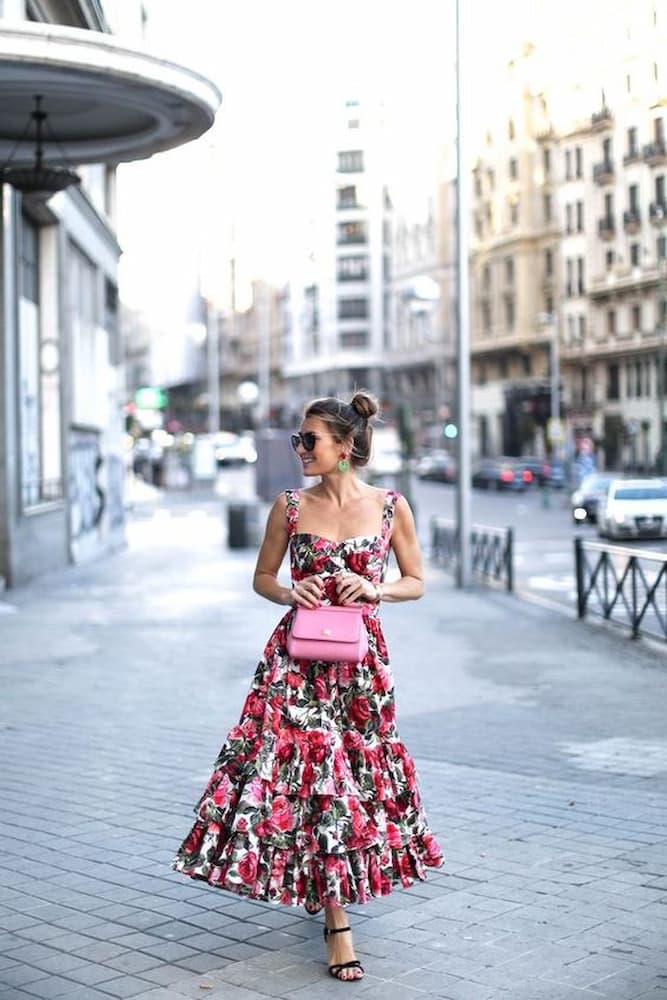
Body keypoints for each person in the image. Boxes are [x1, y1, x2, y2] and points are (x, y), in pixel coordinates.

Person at [172, 389, 443, 982]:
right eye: (299, 439)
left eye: (309, 440)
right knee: (317, 771)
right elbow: (263, 576)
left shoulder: (392, 507)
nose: (300, 449)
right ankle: (337, 924)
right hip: (295, 663)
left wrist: (377, 589)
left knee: (348, 784)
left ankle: (326, 888)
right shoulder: (290, 506)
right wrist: (291, 591)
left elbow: (417, 580)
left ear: (345, 447)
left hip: (361, 668)